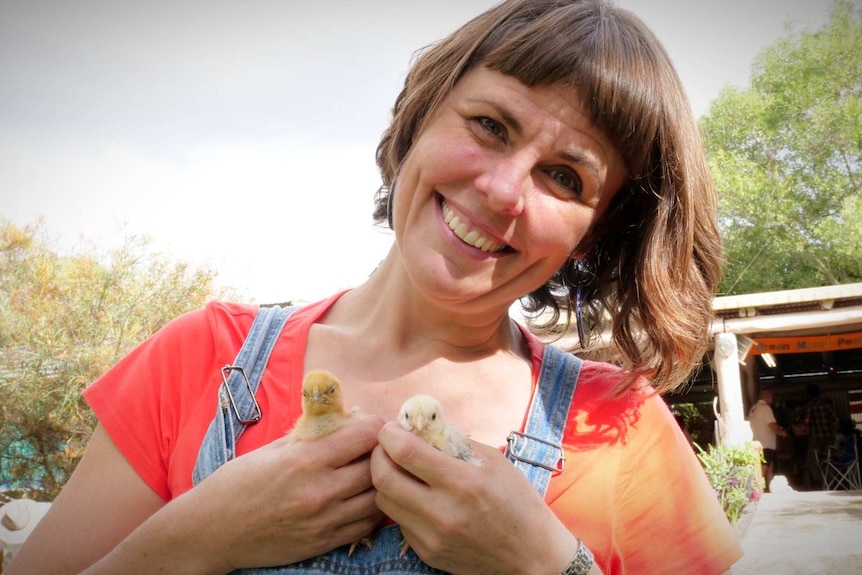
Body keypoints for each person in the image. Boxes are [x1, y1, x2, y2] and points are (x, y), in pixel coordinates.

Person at [7, 1, 743, 574]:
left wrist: (546, 562)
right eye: (489, 125)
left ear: (593, 233)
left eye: (565, 177)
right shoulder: (198, 360)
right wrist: (200, 534)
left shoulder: (618, 430)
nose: (502, 190)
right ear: (420, 117)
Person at [748, 389, 788, 491]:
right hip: (765, 443)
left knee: (770, 466)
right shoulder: (765, 408)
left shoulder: (754, 408)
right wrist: (781, 431)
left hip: (756, 441)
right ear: (768, 398)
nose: (772, 401)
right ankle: (759, 489)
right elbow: (771, 424)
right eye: (772, 398)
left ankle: (769, 489)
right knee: (764, 467)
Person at [803, 383, 838, 489]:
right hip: (828, 437)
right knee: (828, 459)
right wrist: (831, 430)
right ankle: (830, 482)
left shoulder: (810, 406)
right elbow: (835, 420)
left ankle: (817, 480)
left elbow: (807, 421)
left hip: (815, 437)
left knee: (813, 460)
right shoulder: (826, 405)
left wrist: (805, 426)